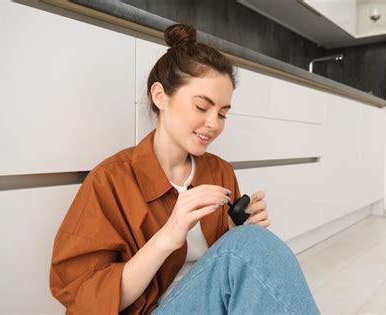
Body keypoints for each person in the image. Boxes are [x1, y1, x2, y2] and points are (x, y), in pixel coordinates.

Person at [49, 23, 320, 315]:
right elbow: (85, 299)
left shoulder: (220, 172)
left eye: (223, 114)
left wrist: (237, 231)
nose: (214, 124)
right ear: (160, 96)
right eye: (202, 107)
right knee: (248, 246)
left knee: (253, 242)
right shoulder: (111, 180)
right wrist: (167, 237)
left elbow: (222, 271)